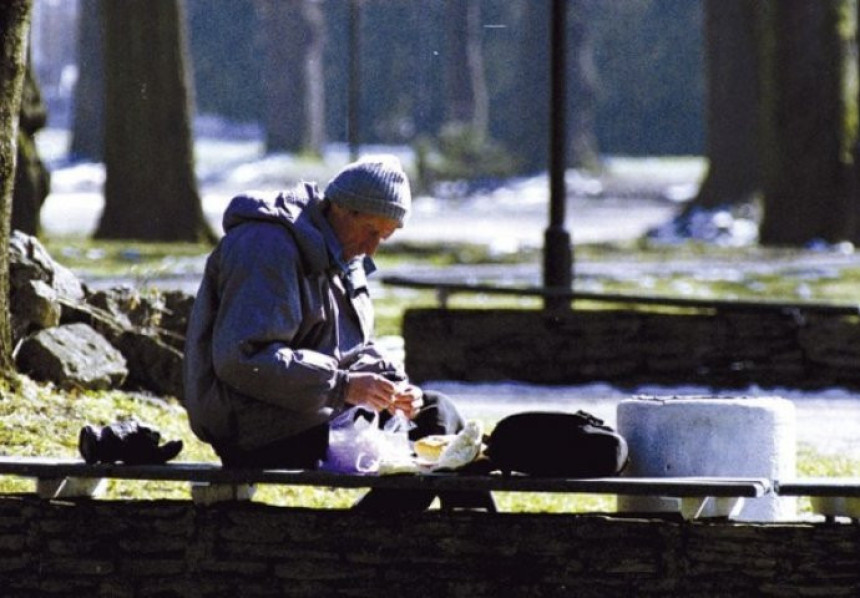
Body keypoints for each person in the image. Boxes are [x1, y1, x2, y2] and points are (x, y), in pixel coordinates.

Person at [182, 155, 487, 511]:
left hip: (312, 409)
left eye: (383, 238)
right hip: (254, 424)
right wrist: (343, 386)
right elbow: (243, 359)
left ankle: (475, 544)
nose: (372, 248)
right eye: (371, 231)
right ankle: (375, 543)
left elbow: (354, 348)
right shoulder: (267, 246)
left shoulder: (345, 253)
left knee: (436, 415)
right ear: (342, 209)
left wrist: (393, 386)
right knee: (423, 456)